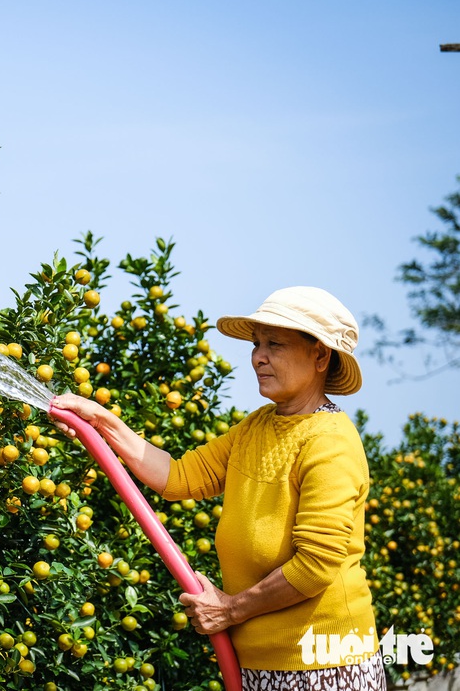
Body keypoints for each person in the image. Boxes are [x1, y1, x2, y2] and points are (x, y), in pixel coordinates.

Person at [52, 286, 385, 690]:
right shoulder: (257, 426)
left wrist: (229, 610)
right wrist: (100, 422)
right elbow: (178, 477)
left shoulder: (331, 441)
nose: (258, 356)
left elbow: (316, 564)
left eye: (275, 344)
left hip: (326, 666)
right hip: (260, 666)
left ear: (320, 355)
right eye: (257, 343)